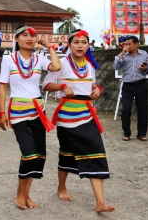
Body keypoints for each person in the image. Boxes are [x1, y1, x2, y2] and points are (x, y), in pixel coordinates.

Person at [43, 29, 115, 213]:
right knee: (66, 153)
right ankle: (61, 187)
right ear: (69, 44)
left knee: (96, 151)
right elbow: (46, 85)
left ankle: (100, 202)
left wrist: (97, 90)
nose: (80, 45)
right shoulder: (62, 63)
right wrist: (63, 86)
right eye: (76, 42)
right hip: (67, 116)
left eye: (84, 42)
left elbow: (92, 85)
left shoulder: (89, 64)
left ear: (88, 45)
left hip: (87, 114)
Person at [0, 25, 61, 209]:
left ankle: (26, 194)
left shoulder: (40, 59)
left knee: (39, 155)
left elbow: (56, 66)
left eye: (33, 36)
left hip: (38, 112)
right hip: (18, 112)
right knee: (29, 154)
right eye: (25, 35)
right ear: (16, 39)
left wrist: (49, 45)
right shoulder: (8, 59)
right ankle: (20, 193)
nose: (30, 38)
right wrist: (1, 112)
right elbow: (2, 86)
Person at [113, 35, 148, 141]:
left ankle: (142, 133)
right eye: (126, 44)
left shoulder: (144, 54)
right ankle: (126, 133)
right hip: (128, 85)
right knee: (126, 110)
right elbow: (115, 67)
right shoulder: (123, 55)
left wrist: (145, 68)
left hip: (141, 84)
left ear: (136, 44)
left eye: (129, 44)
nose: (127, 46)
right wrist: (122, 54)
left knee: (142, 109)